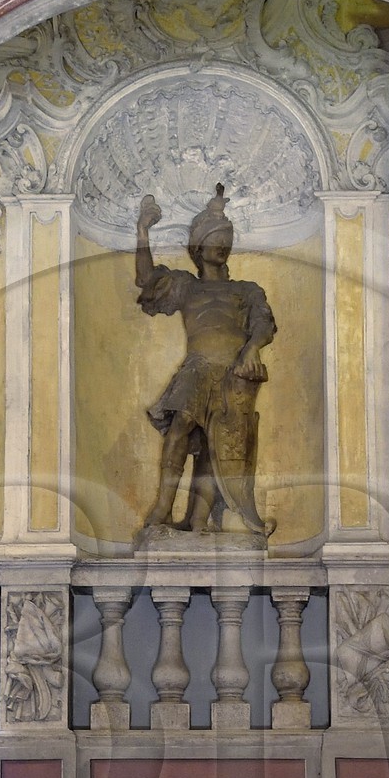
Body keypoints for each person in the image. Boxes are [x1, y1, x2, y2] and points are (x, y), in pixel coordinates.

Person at [133, 184, 276, 542]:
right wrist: (143, 230)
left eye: (226, 237)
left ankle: (197, 521)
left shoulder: (247, 290)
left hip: (234, 376)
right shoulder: (187, 286)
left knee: (218, 448)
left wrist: (251, 349)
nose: (222, 244)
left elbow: (263, 323)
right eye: (215, 237)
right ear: (197, 247)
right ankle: (163, 508)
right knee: (181, 424)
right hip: (198, 368)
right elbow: (147, 280)